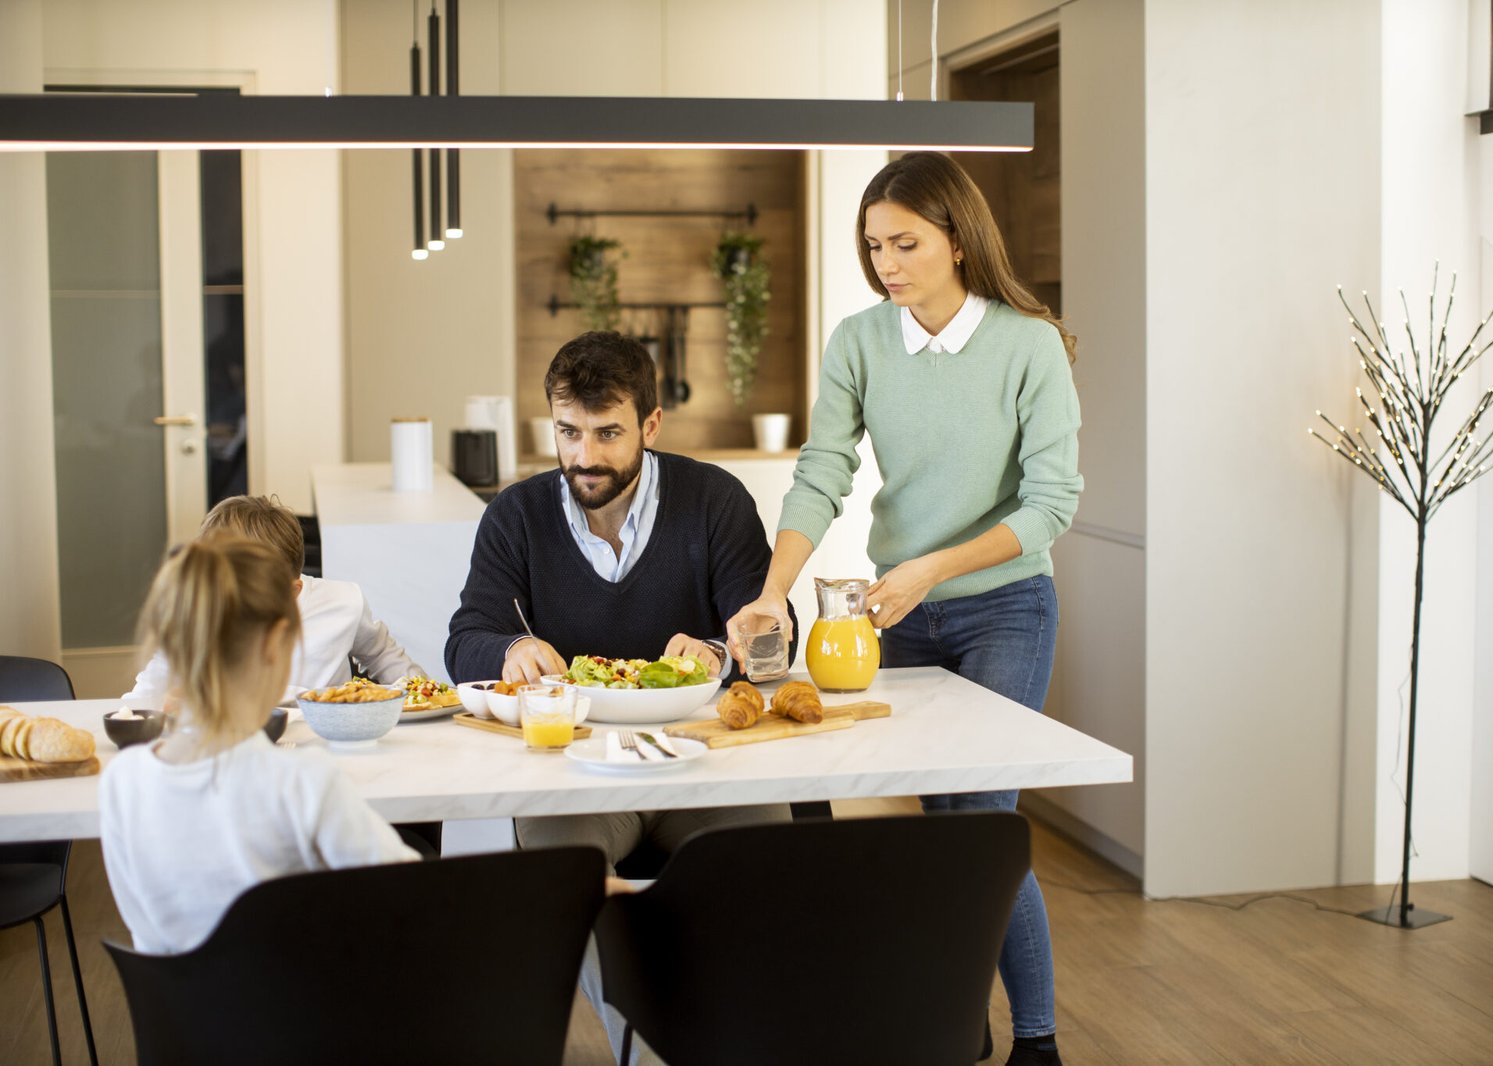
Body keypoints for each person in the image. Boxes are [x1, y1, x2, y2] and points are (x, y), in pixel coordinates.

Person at [726, 151, 1082, 1066]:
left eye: (906, 242)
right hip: (904, 616)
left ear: (958, 239)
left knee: (980, 824)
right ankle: (952, 1028)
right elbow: (823, 472)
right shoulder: (860, 341)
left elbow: (1051, 505)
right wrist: (772, 595)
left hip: (1005, 606)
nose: (887, 261)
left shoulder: (1027, 343)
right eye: (875, 243)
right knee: (913, 826)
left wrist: (930, 567)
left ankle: (1036, 1044)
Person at [444, 329, 793, 1065]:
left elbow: (767, 641)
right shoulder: (517, 515)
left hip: (707, 766)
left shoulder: (714, 501)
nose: (584, 457)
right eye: (568, 432)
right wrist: (509, 649)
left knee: (765, 875)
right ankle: (647, 1053)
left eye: (607, 433)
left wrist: (728, 650)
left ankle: (738, 1037)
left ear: (651, 425)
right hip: (574, 771)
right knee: (560, 887)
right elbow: (466, 635)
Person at [99, 535, 421, 955]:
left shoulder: (122, 782)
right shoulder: (304, 784)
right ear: (275, 643)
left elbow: (148, 938)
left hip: (183, 1018)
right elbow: (414, 901)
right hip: (300, 1015)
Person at [123, 494, 426, 707]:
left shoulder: (343, 602)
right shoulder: (197, 612)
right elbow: (146, 693)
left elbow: (384, 657)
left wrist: (423, 697)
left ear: (291, 591)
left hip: (326, 742)